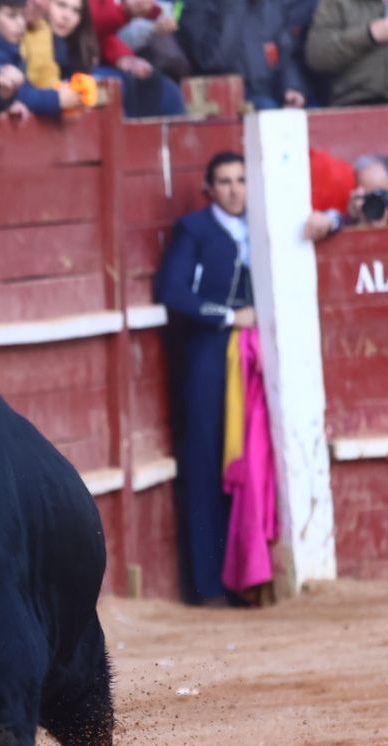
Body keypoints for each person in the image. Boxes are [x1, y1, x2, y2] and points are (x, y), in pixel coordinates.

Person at [155, 152, 255, 607]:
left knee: (246, 460)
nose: (235, 190)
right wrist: (229, 317)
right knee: (205, 461)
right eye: (225, 181)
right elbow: (173, 292)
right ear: (209, 188)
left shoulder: (262, 222)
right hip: (208, 356)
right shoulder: (194, 229)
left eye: (241, 180)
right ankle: (209, 585)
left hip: (252, 356)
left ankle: (245, 578)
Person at [32, 0, 183, 117]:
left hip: (79, 73)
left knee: (167, 91)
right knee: (112, 83)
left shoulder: (79, 34)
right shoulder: (36, 32)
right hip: (52, 93)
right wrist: (124, 12)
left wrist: (123, 56)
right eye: (61, 5)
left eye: (75, 11)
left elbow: (98, 38)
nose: (66, 16)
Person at [178, 0, 310, 108]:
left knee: (309, 114)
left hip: (269, 93)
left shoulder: (271, 6)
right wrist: (235, 5)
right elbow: (212, 59)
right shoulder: (197, 5)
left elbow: (285, 56)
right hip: (224, 101)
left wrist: (291, 87)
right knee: (266, 107)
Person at [304, 152, 388, 237]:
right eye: (370, 196)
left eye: (381, 193)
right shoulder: (356, 221)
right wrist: (355, 224)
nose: (377, 201)